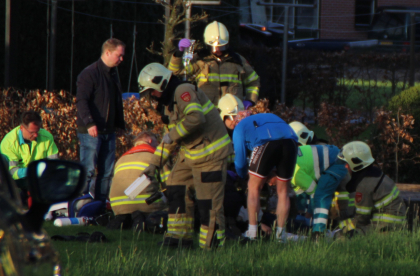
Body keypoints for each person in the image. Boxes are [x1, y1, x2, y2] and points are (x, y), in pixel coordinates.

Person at [138, 63, 232, 249]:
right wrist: (154, 165)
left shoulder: (183, 91)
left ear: (161, 83)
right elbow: (170, 140)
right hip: (192, 154)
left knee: (208, 204)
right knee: (175, 186)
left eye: (152, 91)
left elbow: (196, 118)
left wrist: (172, 135)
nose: (152, 97)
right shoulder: (170, 104)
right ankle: (179, 238)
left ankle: (212, 246)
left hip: (210, 155)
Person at [230, 113, 299, 242]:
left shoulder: (239, 128)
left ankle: (252, 232)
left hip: (266, 141)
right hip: (291, 142)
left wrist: (242, 174)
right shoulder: (264, 117)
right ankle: (281, 234)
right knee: (283, 191)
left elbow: (239, 161)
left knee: (253, 187)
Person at [76, 38, 126, 200]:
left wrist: (118, 125)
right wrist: (90, 123)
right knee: (88, 170)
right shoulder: (89, 74)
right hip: (92, 131)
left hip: (108, 131)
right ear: (108, 53)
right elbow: (82, 100)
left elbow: (115, 102)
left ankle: (100, 205)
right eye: (119, 55)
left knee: (107, 172)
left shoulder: (113, 74)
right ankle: (79, 204)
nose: (121, 59)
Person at [169, 22, 260, 108]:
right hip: (208, 114)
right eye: (214, 48)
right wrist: (178, 54)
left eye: (221, 47)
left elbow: (253, 81)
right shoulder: (200, 60)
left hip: (232, 115)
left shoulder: (238, 60)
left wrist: (250, 100)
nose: (217, 50)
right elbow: (176, 72)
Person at [334, 141, 407, 237]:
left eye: (347, 163)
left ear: (356, 164)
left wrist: (340, 232)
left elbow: (361, 219)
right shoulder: (373, 174)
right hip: (392, 223)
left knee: (345, 239)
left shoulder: (364, 185)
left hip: (386, 228)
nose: (345, 166)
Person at [108, 131, 168, 228]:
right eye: (156, 142)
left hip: (119, 209)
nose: (157, 145)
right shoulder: (156, 157)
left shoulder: (121, 159)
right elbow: (170, 184)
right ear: (149, 140)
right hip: (148, 208)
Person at [289, 143, 351, 237]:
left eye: (269, 180)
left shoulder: (296, 175)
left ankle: (318, 233)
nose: (270, 184)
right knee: (340, 208)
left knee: (321, 196)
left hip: (336, 162)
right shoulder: (289, 165)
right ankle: (348, 230)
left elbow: (314, 193)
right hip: (335, 157)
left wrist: (308, 215)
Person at [0, 111, 59, 193]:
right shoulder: (9, 143)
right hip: (19, 182)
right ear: (22, 128)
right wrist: (34, 170)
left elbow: (54, 162)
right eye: (32, 132)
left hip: (43, 178)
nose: (36, 135)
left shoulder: (47, 137)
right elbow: (12, 172)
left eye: (37, 131)